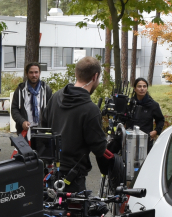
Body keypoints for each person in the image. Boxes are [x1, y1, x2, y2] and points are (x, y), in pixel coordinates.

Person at [46, 57, 108, 192]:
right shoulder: (91, 110)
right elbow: (99, 149)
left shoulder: (56, 97)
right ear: (95, 76)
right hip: (73, 179)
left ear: (76, 74)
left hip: (49, 173)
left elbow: (43, 126)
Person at [9, 62, 52, 143]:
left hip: (41, 130)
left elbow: (52, 110)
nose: (34, 75)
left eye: (36, 72)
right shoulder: (20, 90)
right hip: (24, 131)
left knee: (40, 155)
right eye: (31, 72)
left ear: (39, 73)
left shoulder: (46, 90)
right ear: (26, 73)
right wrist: (22, 122)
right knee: (25, 155)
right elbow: (14, 110)